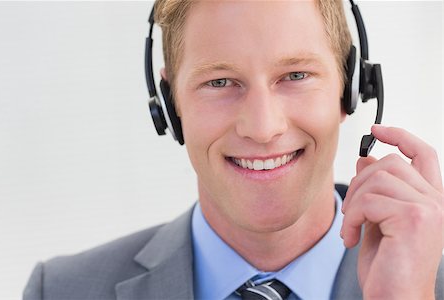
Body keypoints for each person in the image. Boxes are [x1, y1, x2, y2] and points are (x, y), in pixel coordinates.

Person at [23, 0, 444, 299]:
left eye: (295, 75)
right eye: (220, 82)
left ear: (350, 90)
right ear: (171, 107)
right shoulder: (60, 290)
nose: (262, 128)